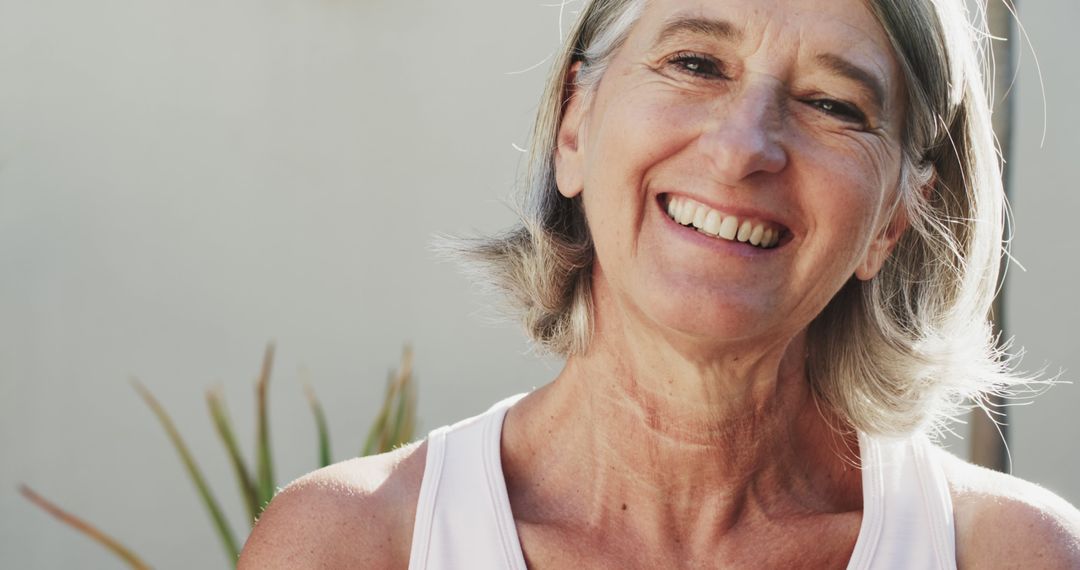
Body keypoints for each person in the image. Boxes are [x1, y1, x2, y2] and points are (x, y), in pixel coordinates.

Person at [238, 0, 1080, 567]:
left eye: (833, 104)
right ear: (575, 124)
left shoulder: (1009, 553)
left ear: (895, 219)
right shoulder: (353, 545)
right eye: (696, 63)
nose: (744, 146)